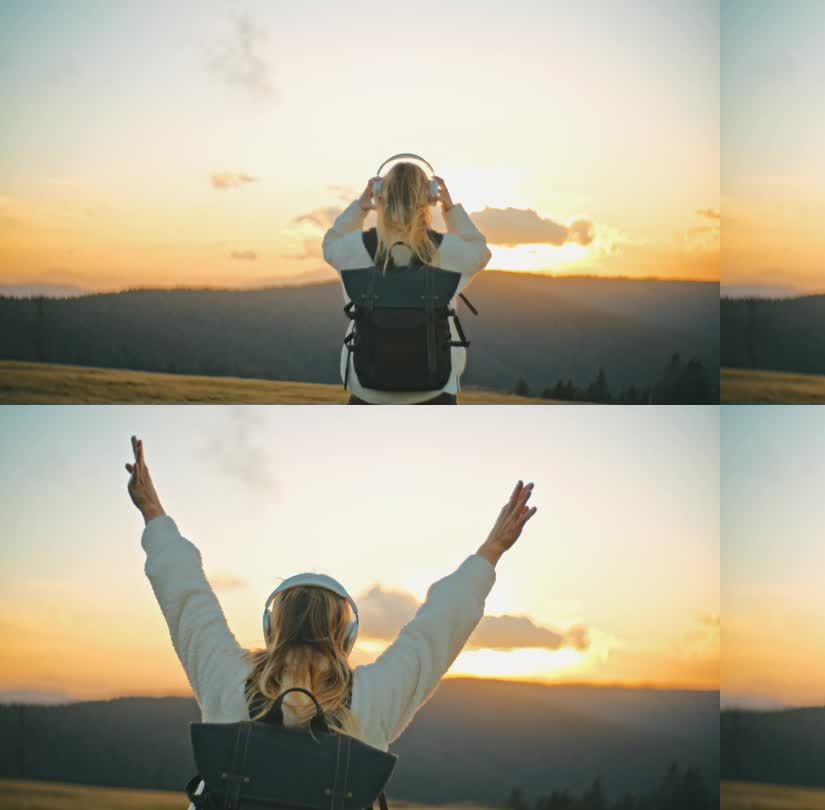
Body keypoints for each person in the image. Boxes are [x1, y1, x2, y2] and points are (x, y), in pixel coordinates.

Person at [124, 434, 538, 752]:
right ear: (347, 635)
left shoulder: (225, 680)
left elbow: (187, 596)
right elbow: (437, 626)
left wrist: (152, 511)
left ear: (272, 626)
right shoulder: (374, 699)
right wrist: (492, 550)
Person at [323, 161, 493, 404]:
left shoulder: (356, 249)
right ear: (430, 198)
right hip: (435, 391)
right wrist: (450, 208)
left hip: (367, 391)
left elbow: (331, 243)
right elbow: (480, 250)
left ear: (380, 196)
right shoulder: (446, 251)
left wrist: (360, 207)